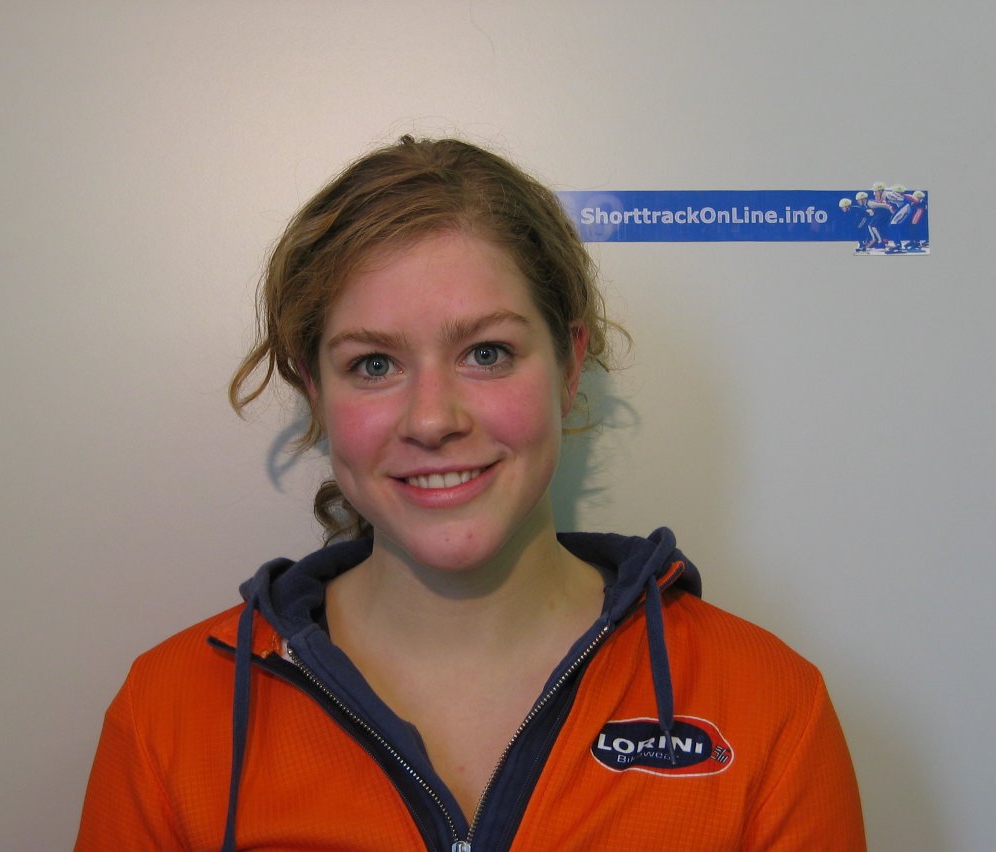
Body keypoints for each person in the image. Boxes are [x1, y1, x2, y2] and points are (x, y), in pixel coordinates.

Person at [76, 136, 866, 850]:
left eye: (487, 353)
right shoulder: (170, 717)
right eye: (374, 365)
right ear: (317, 393)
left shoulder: (767, 707)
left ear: (569, 366)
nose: (433, 419)